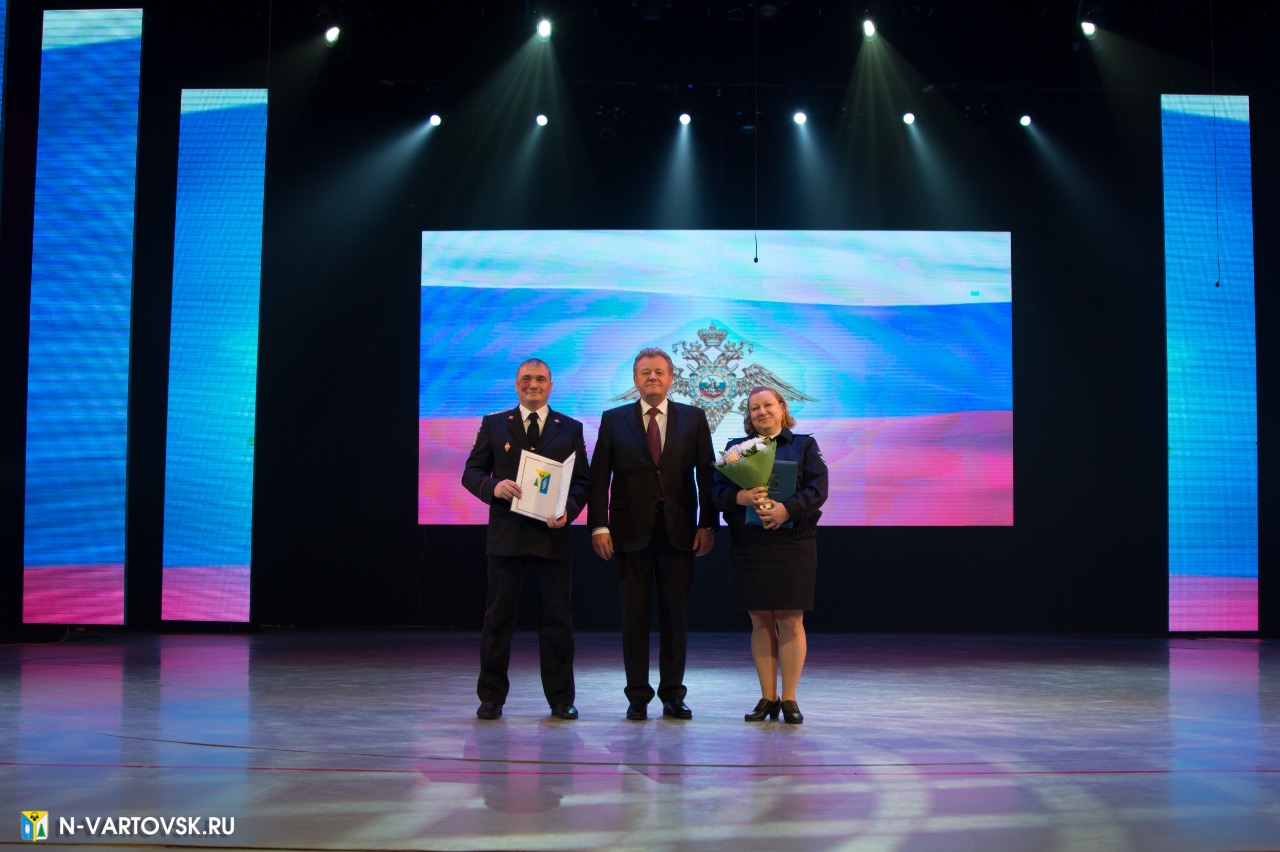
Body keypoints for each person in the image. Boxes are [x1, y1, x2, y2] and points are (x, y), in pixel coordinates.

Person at [589, 347, 717, 721]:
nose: (652, 378)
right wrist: (599, 525)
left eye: (659, 372)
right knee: (634, 617)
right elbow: (599, 478)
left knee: (675, 617)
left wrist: (708, 524)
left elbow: (707, 475)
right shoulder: (613, 420)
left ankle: (673, 694)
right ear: (635, 379)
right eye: (645, 372)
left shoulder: (694, 418)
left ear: (671, 378)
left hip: (679, 532)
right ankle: (637, 696)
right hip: (628, 533)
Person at [461, 358, 591, 721]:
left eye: (540, 379)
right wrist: (493, 486)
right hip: (507, 536)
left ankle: (561, 699)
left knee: (557, 621)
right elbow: (471, 472)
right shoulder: (494, 424)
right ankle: (491, 698)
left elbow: (582, 481)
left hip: (553, 536)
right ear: (516, 384)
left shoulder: (571, 428)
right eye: (526, 379)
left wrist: (569, 510)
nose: (533, 385)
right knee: (498, 619)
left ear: (551, 385)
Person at [711, 386, 828, 724]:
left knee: (791, 619)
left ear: (782, 407)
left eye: (767, 405)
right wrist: (740, 498)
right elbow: (716, 491)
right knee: (760, 619)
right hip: (750, 544)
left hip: (793, 543)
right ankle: (768, 697)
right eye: (754, 408)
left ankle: (789, 699)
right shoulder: (736, 450)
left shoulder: (804, 445)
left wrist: (786, 510)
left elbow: (818, 489)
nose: (761, 412)